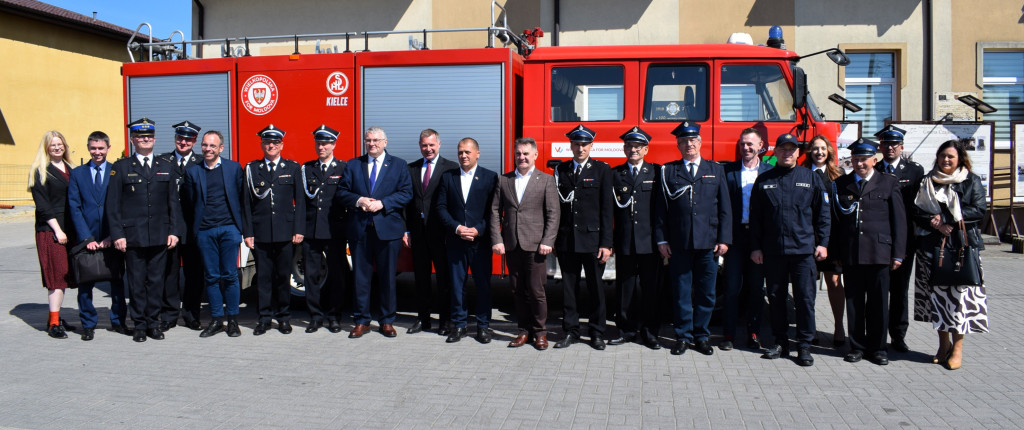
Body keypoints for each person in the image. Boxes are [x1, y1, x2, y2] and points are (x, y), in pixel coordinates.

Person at [750, 133, 830, 366]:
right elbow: (756, 218)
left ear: (798, 153)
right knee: (776, 298)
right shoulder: (764, 180)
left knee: (805, 299)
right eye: (783, 149)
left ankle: (804, 346)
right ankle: (780, 342)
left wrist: (823, 243)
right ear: (775, 153)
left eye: (792, 149)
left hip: (804, 251)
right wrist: (756, 247)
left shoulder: (810, 178)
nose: (787, 153)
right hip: (774, 251)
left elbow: (822, 215)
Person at [654, 121, 731, 356]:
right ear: (678, 145)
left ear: (700, 142)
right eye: (684, 141)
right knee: (681, 292)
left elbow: (724, 208)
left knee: (707, 293)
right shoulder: (668, 171)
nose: (689, 145)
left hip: (708, 243)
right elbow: (660, 210)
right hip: (679, 243)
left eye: (693, 141)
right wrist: (661, 240)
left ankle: (702, 336)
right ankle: (683, 336)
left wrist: (724, 239)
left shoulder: (716, 169)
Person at [912, 140, 988, 370]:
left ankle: (957, 349)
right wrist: (934, 222)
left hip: (961, 249)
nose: (946, 160)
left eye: (951, 157)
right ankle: (942, 345)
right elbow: (916, 210)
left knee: (959, 302)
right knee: (938, 301)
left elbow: (979, 210)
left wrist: (947, 219)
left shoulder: (970, 180)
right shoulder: (927, 181)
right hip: (932, 249)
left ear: (960, 159)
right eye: (942, 155)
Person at [107, 118, 184, 342]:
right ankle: (139, 325)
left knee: (157, 281)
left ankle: (154, 323)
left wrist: (174, 231)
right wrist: (118, 235)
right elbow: (113, 206)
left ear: (154, 139)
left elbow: (173, 203)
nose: (145, 139)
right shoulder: (121, 167)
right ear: (133, 140)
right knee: (137, 282)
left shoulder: (165, 166)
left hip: (160, 235)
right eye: (140, 136)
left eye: (148, 136)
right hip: (133, 237)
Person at [831, 139, 906, 366]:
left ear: (875, 159)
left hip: (880, 252)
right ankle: (856, 346)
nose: (859, 163)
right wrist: (836, 253)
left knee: (879, 303)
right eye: (855, 159)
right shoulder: (841, 184)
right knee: (854, 302)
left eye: (864, 159)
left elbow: (899, 221)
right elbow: (836, 222)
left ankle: (878, 348)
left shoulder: (888, 183)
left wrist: (898, 254)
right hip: (852, 252)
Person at [336, 126, 413, 339]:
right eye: (368, 140)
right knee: (361, 277)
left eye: (376, 140)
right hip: (360, 230)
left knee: (388, 277)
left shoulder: (398, 165)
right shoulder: (353, 165)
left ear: (385, 142)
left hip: (388, 230)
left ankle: (387, 321)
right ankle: (362, 321)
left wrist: (383, 203)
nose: (372, 144)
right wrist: (358, 200)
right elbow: (342, 192)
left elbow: (406, 193)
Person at [490, 137, 559, 350]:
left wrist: (548, 240)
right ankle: (523, 331)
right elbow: (494, 211)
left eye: (526, 153)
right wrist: (497, 239)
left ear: (535, 155)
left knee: (536, 290)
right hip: (512, 244)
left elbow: (553, 213)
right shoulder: (504, 180)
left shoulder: (546, 180)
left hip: (536, 245)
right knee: (517, 290)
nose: (522, 157)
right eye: (518, 153)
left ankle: (540, 332)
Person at [552, 125, 614, 350]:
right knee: (569, 289)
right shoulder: (561, 170)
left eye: (584, 144)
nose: (580, 148)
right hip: (567, 241)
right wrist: (554, 239)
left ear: (591, 146)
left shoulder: (602, 170)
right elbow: (556, 207)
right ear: (570, 146)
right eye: (576, 144)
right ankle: (571, 331)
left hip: (593, 241)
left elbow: (607, 209)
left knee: (596, 289)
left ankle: (597, 332)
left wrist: (607, 243)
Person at [183, 130, 247, 338]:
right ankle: (217, 320)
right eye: (205, 145)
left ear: (221, 148)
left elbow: (242, 199)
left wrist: (243, 230)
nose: (208, 149)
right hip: (205, 231)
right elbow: (190, 203)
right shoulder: (193, 172)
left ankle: (233, 321)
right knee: (211, 277)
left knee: (230, 275)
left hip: (229, 229)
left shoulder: (233, 168)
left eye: (212, 146)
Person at [242, 124, 305, 336]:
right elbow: (246, 204)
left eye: (275, 142)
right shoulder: (251, 169)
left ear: (281, 145)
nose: (271, 145)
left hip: (285, 234)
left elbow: (301, 202)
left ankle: (284, 318)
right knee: (263, 278)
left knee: (282, 277)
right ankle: (264, 318)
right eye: (267, 142)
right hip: (260, 235)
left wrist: (298, 229)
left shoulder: (293, 168)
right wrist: (248, 232)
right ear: (262, 144)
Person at [434, 137, 498, 343]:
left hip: (480, 243)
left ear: (477, 153)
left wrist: (478, 230)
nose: (463, 155)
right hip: (455, 241)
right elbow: (440, 208)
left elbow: (494, 211)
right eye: (460, 152)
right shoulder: (448, 177)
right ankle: (459, 325)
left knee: (483, 285)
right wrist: (457, 227)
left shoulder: (490, 177)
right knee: (456, 285)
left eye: (468, 152)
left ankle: (483, 326)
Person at [67, 131, 128, 340]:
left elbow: (122, 205)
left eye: (101, 148)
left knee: (117, 282)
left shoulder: (116, 171)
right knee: (85, 285)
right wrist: (87, 238)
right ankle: (88, 324)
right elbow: (75, 207)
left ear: (108, 148)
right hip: (88, 239)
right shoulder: (77, 174)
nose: (97, 152)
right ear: (88, 148)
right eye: (93, 148)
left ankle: (118, 321)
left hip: (112, 237)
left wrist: (113, 234)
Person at [607, 127, 662, 350]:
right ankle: (626, 329)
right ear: (624, 149)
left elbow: (660, 211)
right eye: (629, 146)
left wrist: (662, 240)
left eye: (638, 147)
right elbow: (609, 211)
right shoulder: (615, 174)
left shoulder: (657, 173)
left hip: (649, 242)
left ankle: (650, 332)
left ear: (646, 149)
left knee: (651, 289)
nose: (633, 150)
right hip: (625, 241)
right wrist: (609, 242)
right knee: (625, 288)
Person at [720, 127, 772, 351]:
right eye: (743, 144)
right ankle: (728, 335)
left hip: (758, 239)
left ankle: (753, 333)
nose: (746, 148)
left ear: (761, 146)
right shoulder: (728, 171)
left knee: (756, 289)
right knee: (731, 289)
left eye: (750, 144)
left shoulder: (770, 172)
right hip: (735, 238)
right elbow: (721, 207)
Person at [874, 125, 924, 353]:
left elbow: (919, 205)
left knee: (900, 289)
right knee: (877, 289)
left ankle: (898, 335)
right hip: (878, 239)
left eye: (894, 144)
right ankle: (876, 334)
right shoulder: (874, 169)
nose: (890, 147)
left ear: (902, 147)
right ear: (880, 147)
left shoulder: (914, 171)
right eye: (886, 144)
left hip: (904, 240)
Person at [404, 129, 458, 335]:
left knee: (444, 279)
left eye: (431, 145)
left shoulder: (451, 169)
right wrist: (406, 229)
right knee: (421, 279)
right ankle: (423, 319)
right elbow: (406, 202)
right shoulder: (411, 168)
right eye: (424, 145)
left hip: (442, 234)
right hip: (418, 234)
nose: (428, 149)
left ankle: (445, 321)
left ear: (439, 144)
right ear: (420, 146)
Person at [300, 124, 348, 333]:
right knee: (311, 276)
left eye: (326, 143)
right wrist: (299, 229)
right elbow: (301, 203)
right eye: (319, 143)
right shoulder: (306, 169)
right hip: (311, 231)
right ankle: (315, 316)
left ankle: (334, 316)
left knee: (337, 274)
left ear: (334, 145)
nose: (322, 147)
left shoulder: (344, 168)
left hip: (334, 230)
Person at [28, 130, 76, 339]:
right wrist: (57, 230)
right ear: (46, 148)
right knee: (56, 278)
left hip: (68, 230)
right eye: (52, 145)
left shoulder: (70, 169)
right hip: (51, 231)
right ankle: (54, 324)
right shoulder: (40, 171)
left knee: (64, 276)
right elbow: (43, 206)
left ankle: (54, 316)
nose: (57, 148)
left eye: (60, 144)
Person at [159, 120, 204, 331]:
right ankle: (169, 314)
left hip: (193, 228)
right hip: (169, 228)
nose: (183, 142)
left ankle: (191, 314)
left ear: (195, 141)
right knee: (170, 273)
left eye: (188, 139)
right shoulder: (162, 162)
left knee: (195, 274)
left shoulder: (202, 162)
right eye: (180, 138)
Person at [801, 135, 846, 347]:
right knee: (808, 287)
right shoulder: (800, 173)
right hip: (806, 238)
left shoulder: (838, 176)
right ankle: (812, 328)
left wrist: (835, 244)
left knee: (834, 283)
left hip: (832, 238)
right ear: (809, 152)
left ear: (829, 151)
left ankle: (839, 326)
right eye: (815, 149)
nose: (819, 152)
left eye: (822, 149)